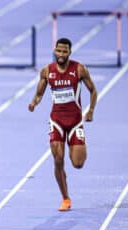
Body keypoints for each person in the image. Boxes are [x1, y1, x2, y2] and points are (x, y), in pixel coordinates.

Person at [28, 38, 97, 211]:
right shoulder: (47, 71)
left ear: (69, 53)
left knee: (78, 164)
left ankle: (78, 143)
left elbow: (93, 90)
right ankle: (65, 198)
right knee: (58, 160)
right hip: (57, 121)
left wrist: (90, 111)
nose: (61, 54)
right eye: (58, 51)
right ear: (55, 51)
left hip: (75, 122)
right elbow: (39, 94)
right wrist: (34, 103)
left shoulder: (79, 69)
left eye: (64, 51)